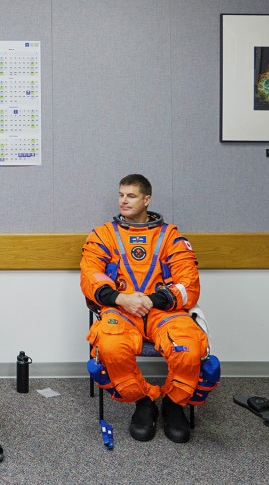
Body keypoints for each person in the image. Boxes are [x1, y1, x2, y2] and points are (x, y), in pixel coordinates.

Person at [81, 174, 215, 444]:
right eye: (121, 195)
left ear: (147, 199)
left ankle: (174, 404)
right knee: (109, 347)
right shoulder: (103, 235)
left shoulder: (171, 237)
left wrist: (152, 300)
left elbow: (189, 283)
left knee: (189, 347)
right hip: (121, 309)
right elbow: (90, 275)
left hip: (163, 311)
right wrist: (121, 298)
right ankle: (143, 402)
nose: (123, 201)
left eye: (131, 196)